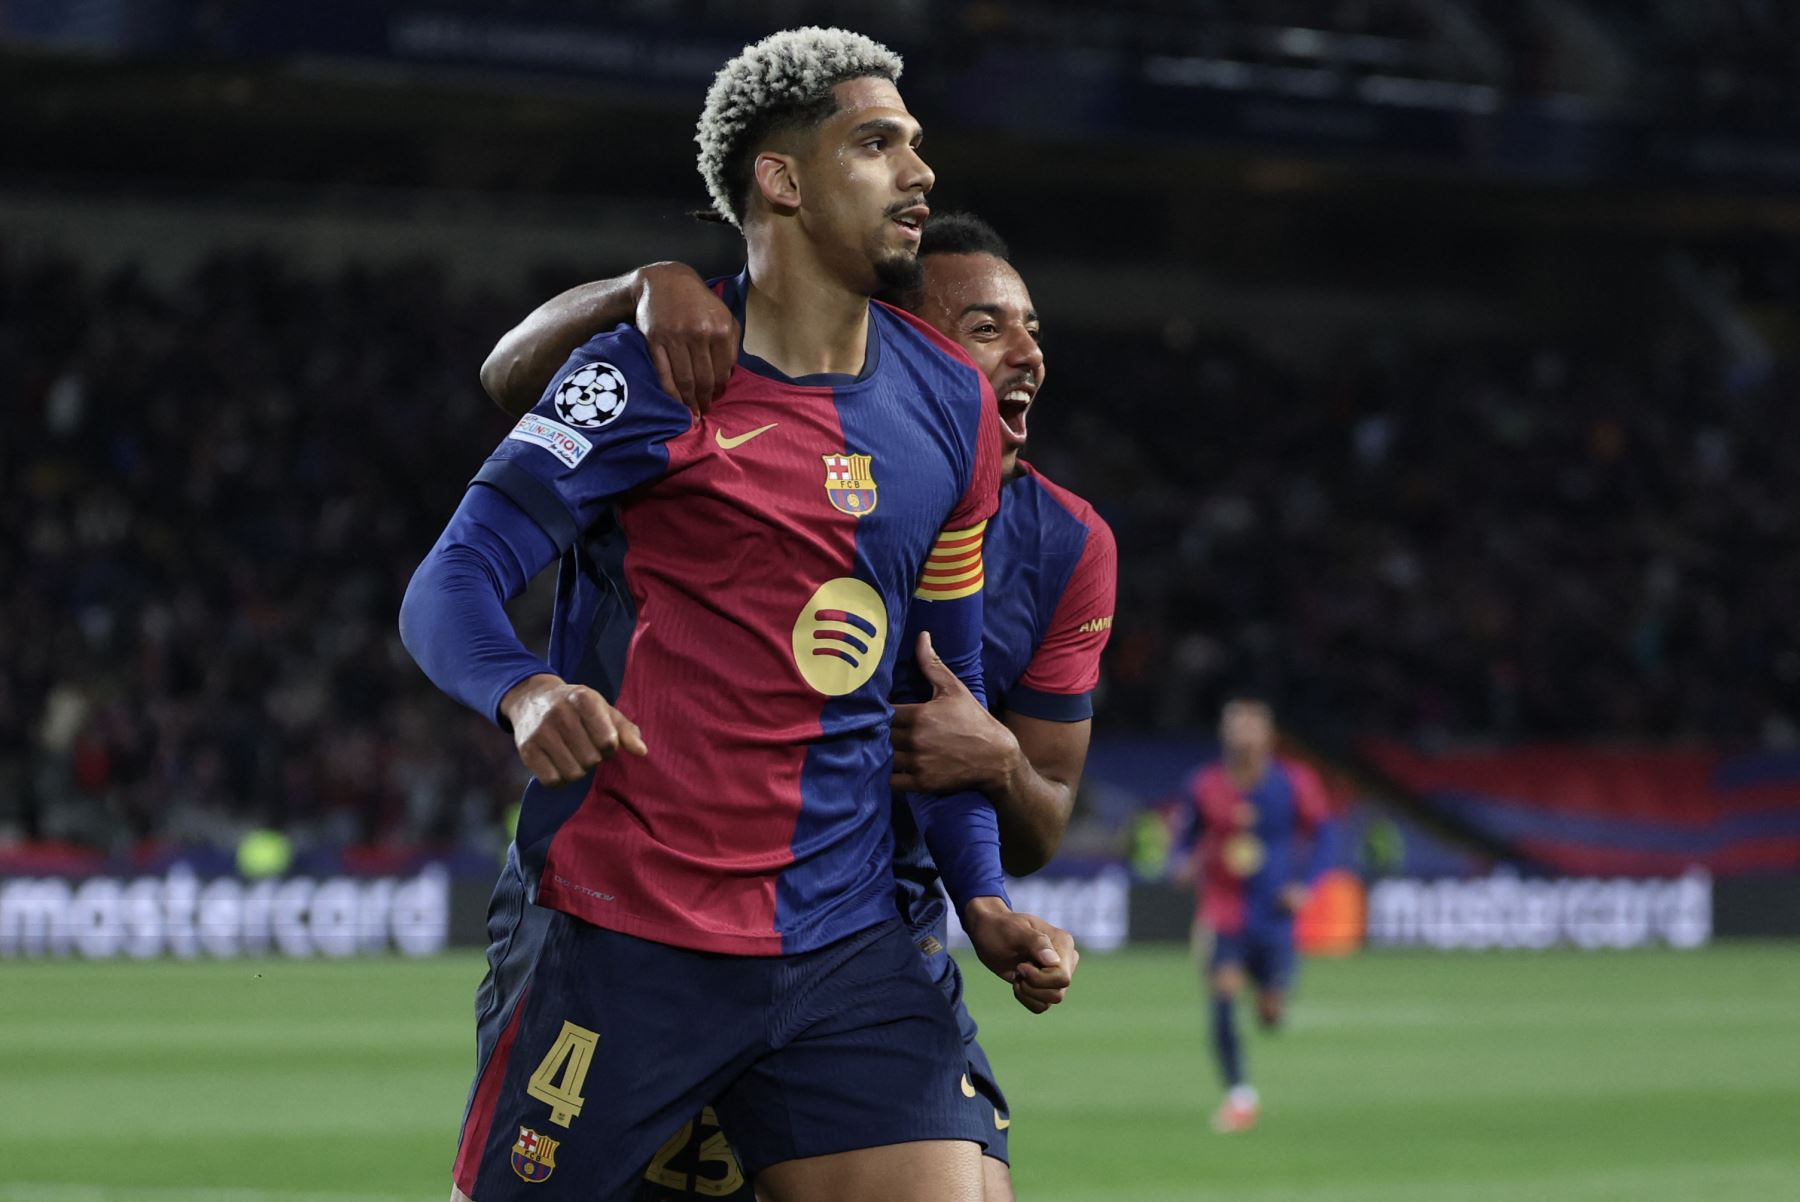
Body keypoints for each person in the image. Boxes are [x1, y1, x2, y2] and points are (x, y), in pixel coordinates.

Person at [400, 29, 1074, 1202]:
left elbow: (940, 702)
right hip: (626, 933)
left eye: (918, 143)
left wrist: (984, 898)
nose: (920, 171)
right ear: (782, 179)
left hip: (844, 943)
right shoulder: (648, 374)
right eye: (877, 143)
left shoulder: (950, 402)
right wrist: (526, 689)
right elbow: (449, 580)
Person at [1174, 699, 1336, 1133]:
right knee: (1222, 994)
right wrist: (1183, 862)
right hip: (1223, 912)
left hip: (1275, 913)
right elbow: (1185, 837)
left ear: (1268, 736)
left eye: (1251, 727)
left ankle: (1271, 1002)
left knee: (1270, 1014)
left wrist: (1307, 886)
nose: (1243, 735)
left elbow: (1323, 836)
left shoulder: (1294, 782)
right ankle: (1240, 1096)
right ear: (1224, 734)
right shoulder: (1204, 785)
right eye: (1235, 726)